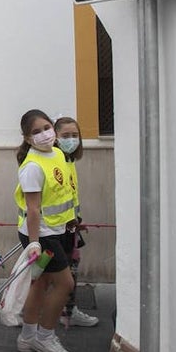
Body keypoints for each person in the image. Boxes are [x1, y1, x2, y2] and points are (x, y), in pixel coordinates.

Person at [13, 108, 78, 352]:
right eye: (36, 132)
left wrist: (71, 219)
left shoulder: (58, 154)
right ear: (28, 138)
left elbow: (62, 192)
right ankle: (45, 337)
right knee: (65, 284)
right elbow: (33, 209)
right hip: (41, 235)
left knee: (41, 283)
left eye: (47, 128)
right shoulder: (32, 167)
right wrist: (34, 243)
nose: (44, 134)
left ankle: (27, 336)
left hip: (56, 229)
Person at [53, 116, 99, 328]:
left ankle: (68, 311)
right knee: (62, 276)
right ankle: (59, 314)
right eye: (65, 135)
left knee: (70, 270)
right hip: (57, 230)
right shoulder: (57, 161)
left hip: (69, 227)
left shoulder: (69, 160)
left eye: (74, 135)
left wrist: (76, 220)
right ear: (55, 137)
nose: (71, 139)